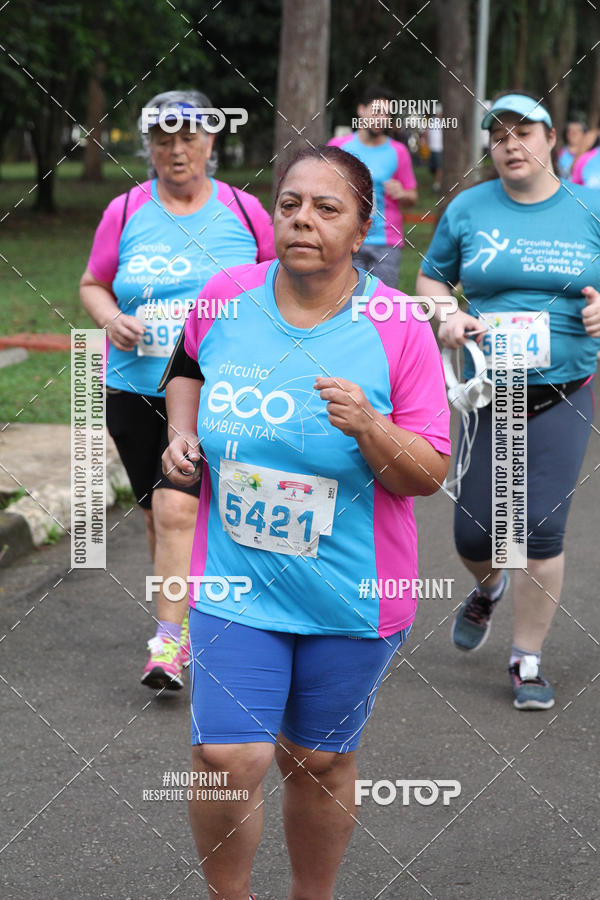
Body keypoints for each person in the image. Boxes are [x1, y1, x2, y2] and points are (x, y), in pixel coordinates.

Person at [160, 145, 450, 899]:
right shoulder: (225, 294)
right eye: (290, 203)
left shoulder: (397, 325)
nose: (303, 220)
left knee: (316, 762)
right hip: (236, 579)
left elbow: (426, 474)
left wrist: (369, 427)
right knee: (229, 757)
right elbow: (185, 368)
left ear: (361, 231)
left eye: (327, 209)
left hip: (350, 589)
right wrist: (179, 434)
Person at [80, 89, 274, 690]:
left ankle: (168, 644)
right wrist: (112, 319)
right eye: (163, 138)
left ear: (211, 142)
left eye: (188, 136)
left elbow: (278, 282)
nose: (176, 149)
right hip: (134, 387)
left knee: (177, 506)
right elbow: (93, 283)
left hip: (220, 391)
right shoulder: (126, 209)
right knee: (158, 512)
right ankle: (182, 616)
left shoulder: (244, 211)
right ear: (149, 147)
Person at [416, 90, 600, 710]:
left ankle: (526, 661)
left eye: (524, 132)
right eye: (498, 135)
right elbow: (433, 276)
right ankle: (487, 588)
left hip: (565, 389)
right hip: (491, 390)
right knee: (475, 534)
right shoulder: (469, 208)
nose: (510, 144)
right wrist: (447, 313)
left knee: (540, 527)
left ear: (553, 139)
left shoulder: (590, 206)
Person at [328, 86, 417, 287]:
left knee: (382, 306)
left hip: (386, 242)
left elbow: (412, 196)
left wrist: (402, 193)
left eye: (386, 114)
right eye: (377, 111)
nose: (381, 118)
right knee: (344, 300)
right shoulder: (339, 146)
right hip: (347, 238)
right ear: (361, 110)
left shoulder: (398, 151)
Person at [427, 103, 444, 190]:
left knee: (439, 167)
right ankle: (438, 181)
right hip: (432, 148)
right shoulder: (432, 121)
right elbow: (427, 132)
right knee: (432, 168)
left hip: (439, 148)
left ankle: (437, 184)